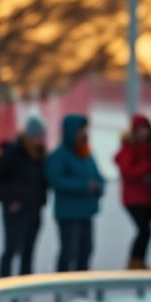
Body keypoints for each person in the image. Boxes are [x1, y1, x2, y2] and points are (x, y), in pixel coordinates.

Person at [0, 116, 49, 276]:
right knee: (11, 250)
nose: (41, 140)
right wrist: (9, 200)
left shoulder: (40, 156)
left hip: (34, 211)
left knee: (28, 252)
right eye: (38, 136)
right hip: (16, 212)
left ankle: (24, 291)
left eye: (42, 136)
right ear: (29, 136)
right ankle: (3, 287)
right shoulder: (13, 153)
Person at [46, 114, 105, 271]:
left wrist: (99, 186)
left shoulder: (86, 154)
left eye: (85, 130)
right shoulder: (59, 155)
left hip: (86, 211)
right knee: (69, 251)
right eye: (80, 130)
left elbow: (98, 176)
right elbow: (56, 180)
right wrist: (84, 186)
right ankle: (62, 286)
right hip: (69, 213)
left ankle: (81, 285)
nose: (84, 134)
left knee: (86, 250)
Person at [114, 114, 151, 269]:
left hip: (148, 198)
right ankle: (134, 262)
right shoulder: (129, 149)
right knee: (144, 230)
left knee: (146, 232)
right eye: (139, 129)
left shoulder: (150, 147)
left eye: (145, 129)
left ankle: (139, 260)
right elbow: (128, 171)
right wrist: (147, 168)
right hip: (134, 199)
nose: (143, 133)